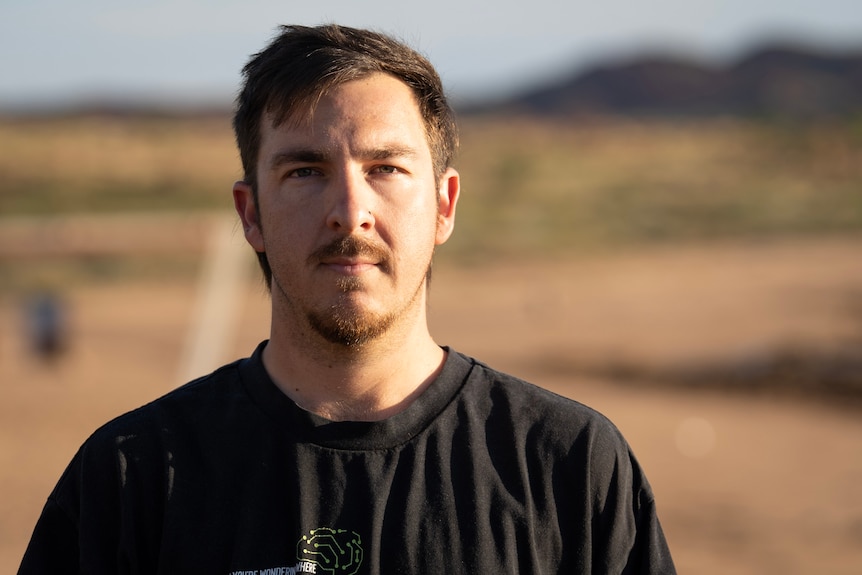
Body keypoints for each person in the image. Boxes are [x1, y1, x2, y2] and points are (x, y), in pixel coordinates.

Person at [19, 24, 676, 574]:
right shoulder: (130, 480)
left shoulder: (569, 464)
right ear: (251, 214)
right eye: (305, 171)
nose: (350, 211)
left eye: (385, 168)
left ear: (444, 205)